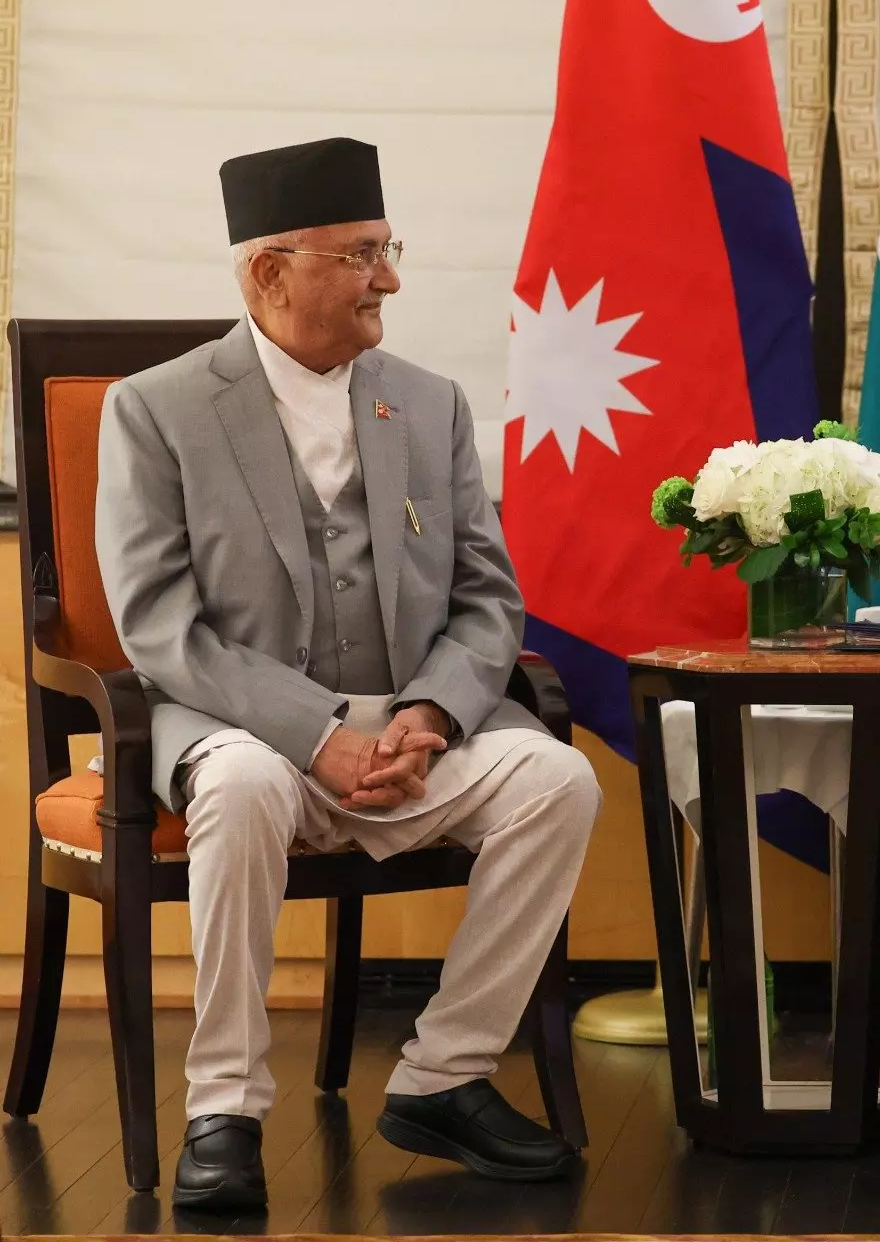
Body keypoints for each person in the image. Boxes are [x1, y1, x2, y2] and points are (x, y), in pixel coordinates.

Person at [95, 137, 602, 1212]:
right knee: (234, 789)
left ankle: (443, 1074)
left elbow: (485, 597)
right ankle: (222, 1109)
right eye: (362, 254)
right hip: (246, 734)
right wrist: (317, 732)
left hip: (413, 737)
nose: (391, 280)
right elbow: (158, 626)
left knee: (558, 781)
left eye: (389, 248)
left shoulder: (429, 402)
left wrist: (429, 713)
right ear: (270, 272)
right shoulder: (155, 409)